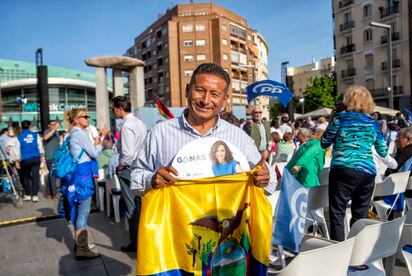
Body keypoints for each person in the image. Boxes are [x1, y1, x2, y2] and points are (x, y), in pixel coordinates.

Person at [131, 62, 276, 195]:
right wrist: (151, 179)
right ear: (188, 90)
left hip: (227, 222)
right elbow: (135, 176)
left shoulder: (239, 137)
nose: (205, 100)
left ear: (224, 100)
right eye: (200, 90)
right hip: (176, 222)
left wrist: (264, 178)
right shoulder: (160, 133)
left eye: (215, 94)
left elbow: (271, 184)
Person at [321, 85, 388, 241]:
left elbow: (324, 142)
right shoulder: (373, 122)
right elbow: (383, 151)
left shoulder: (340, 118)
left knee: (337, 213)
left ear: (348, 100)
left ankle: (339, 255)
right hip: (367, 172)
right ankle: (357, 255)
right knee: (360, 214)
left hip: (343, 169)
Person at [64, 108, 108, 260]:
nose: (88, 119)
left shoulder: (72, 134)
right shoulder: (79, 134)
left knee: (80, 211)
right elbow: (94, 153)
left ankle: (81, 244)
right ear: (76, 120)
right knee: (83, 212)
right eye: (85, 117)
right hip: (83, 175)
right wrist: (100, 141)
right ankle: (82, 248)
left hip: (78, 174)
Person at [111, 96, 148, 252]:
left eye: (114, 109)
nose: (113, 112)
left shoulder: (126, 126)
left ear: (120, 109)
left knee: (131, 207)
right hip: (141, 167)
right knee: (140, 207)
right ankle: (143, 240)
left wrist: (120, 166)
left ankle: (136, 243)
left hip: (129, 168)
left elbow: (127, 154)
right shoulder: (140, 123)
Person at [15, 121, 44, 202]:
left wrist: (17, 160)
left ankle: (28, 194)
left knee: (26, 177)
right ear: (30, 126)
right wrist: (42, 155)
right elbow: (40, 145)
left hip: (25, 158)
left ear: (22, 127)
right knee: (35, 176)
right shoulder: (35, 135)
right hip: (35, 157)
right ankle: (35, 195)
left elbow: (17, 149)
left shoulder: (19, 136)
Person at [43, 120, 61, 198]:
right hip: (50, 156)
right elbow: (46, 137)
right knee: (53, 174)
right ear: (49, 125)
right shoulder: (47, 131)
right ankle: (54, 193)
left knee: (53, 174)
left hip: (56, 156)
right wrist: (54, 129)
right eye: (52, 124)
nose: (54, 125)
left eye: (55, 124)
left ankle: (48, 192)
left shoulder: (56, 132)